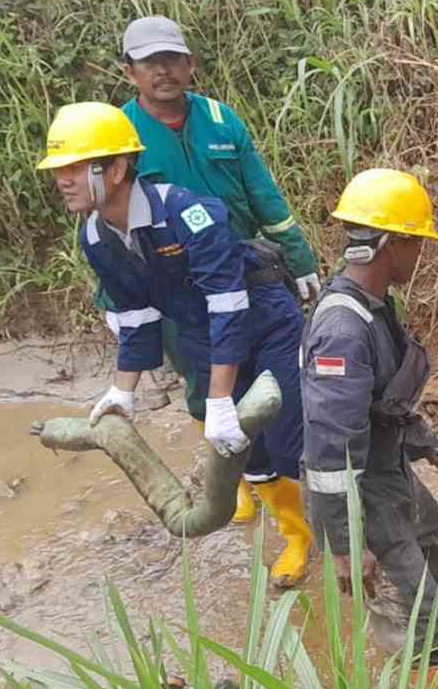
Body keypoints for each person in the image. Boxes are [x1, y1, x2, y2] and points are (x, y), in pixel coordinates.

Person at [37, 102, 309, 587]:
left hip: (263, 320)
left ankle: (334, 527)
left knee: (289, 436)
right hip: (202, 332)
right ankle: (297, 535)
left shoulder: (187, 213)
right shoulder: (97, 236)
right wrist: (123, 392)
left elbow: (228, 302)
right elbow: (136, 314)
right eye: (60, 169)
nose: (64, 180)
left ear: (117, 168)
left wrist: (223, 398)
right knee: (246, 446)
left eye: (76, 166)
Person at [117, 15, 319, 549]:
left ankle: (296, 520)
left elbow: (264, 197)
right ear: (130, 72)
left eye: (172, 60)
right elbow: (106, 224)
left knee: (280, 401)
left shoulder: (219, 118)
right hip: (179, 299)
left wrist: (301, 261)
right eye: (148, 62)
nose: (162, 71)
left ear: (191, 65)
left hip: (248, 277)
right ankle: (263, 506)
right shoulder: (121, 133)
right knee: (208, 399)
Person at [300, 168, 438, 663]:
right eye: (416, 242)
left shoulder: (373, 306)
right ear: (390, 244)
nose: (421, 254)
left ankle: (416, 607)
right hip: (359, 491)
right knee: (428, 628)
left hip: (385, 466)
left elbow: (378, 404)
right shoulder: (344, 332)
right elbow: (329, 451)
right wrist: (346, 545)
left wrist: (423, 440)